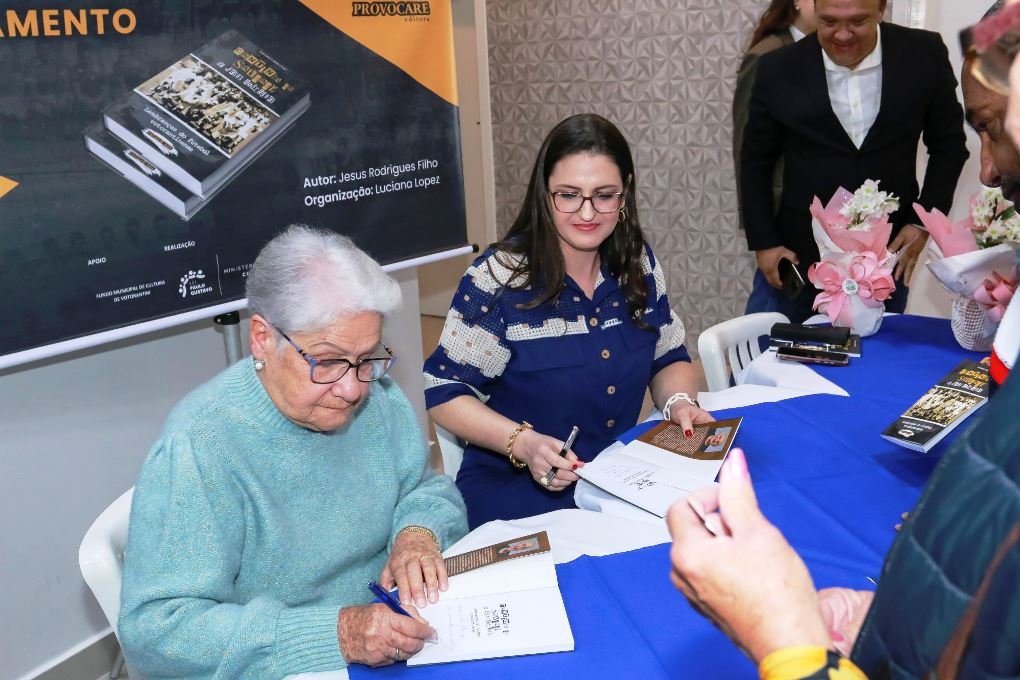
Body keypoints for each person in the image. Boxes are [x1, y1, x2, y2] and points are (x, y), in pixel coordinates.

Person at [119, 225, 469, 677]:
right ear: (263, 338)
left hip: (393, 634)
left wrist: (417, 534)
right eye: (327, 361)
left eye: (366, 359)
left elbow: (424, 490)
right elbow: (157, 632)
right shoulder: (201, 445)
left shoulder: (375, 396)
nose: (351, 389)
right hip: (290, 664)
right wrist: (337, 633)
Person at [424, 113, 712, 529]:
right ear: (545, 194)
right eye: (569, 194)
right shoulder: (501, 278)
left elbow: (667, 356)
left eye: (604, 195)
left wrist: (679, 403)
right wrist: (523, 444)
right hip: (517, 494)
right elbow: (445, 393)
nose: (588, 212)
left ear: (625, 193)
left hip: (615, 482)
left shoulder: (637, 265)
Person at [740, 0, 969, 323]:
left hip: (885, 259)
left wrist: (922, 223)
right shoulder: (778, 67)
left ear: (881, 9)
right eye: (829, 22)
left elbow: (949, 146)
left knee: (874, 364)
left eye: (858, 21)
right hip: (799, 255)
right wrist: (765, 242)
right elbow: (755, 161)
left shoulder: (923, 54)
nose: (843, 35)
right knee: (775, 359)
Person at [733, 0, 817, 233]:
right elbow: (746, 146)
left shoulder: (831, 54)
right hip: (783, 214)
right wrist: (760, 228)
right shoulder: (767, 55)